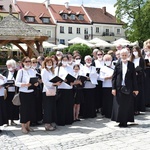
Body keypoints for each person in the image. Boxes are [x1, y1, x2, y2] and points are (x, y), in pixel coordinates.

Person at [111, 48, 138, 127]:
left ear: (128, 55)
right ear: (120, 56)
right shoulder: (117, 64)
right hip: (119, 87)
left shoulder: (131, 64)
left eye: (125, 55)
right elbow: (114, 77)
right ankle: (120, 121)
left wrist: (135, 89)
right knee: (119, 105)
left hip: (128, 87)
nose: (124, 56)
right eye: (122, 55)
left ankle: (125, 121)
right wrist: (113, 88)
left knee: (127, 105)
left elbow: (134, 78)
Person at [15, 57, 39, 134]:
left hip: (31, 92)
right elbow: (16, 83)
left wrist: (36, 84)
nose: (28, 63)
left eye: (29, 61)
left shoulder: (33, 71)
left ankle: (28, 126)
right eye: (26, 61)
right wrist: (25, 84)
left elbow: (35, 80)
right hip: (23, 92)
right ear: (23, 63)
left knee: (31, 109)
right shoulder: (20, 71)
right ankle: (23, 127)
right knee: (24, 110)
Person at [41, 57, 61, 131]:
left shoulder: (52, 71)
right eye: (48, 62)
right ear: (45, 63)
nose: (49, 64)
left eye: (50, 62)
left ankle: (51, 122)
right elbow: (45, 82)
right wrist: (54, 83)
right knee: (48, 108)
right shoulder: (44, 71)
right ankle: (47, 124)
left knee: (52, 108)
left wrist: (57, 83)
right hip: (47, 91)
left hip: (52, 91)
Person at [55, 55, 74, 126]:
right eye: (64, 60)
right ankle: (60, 120)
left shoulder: (70, 68)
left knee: (68, 105)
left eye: (66, 60)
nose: (65, 61)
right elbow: (56, 77)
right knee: (61, 106)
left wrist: (71, 81)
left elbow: (73, 77)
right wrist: (61, 80)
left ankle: (68, 120)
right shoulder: (58, 68)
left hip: (69, 88)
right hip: (61, 88)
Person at [2, 59, 19, 126]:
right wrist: (6, 85)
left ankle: (12, 120)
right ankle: (6, 121)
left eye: (10, 65)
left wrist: (15, 84)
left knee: (13, 106)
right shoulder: (5, 72)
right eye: (7, 65)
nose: (8, 67)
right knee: (6, 106)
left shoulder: (17, 72)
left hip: (14, 92)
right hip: (6, 92)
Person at [130, 46, 146, 115]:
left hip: (139, 79)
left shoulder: (141, 59)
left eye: (135, 50)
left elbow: (142, 69)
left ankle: (138, 109)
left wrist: (138, 72)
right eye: (133, 51)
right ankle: (133, 108)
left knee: (138, 94)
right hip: (132, 79)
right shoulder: (131, 59)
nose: (134, 52)